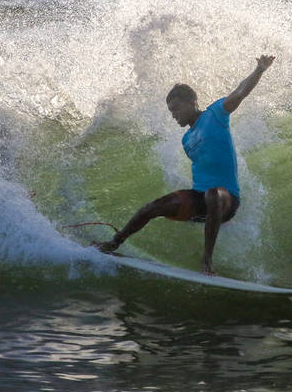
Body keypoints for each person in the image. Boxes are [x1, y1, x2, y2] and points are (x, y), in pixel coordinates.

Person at [95, 55, 275, 274]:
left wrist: (259, 70)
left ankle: (207, 261)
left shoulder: (215, 114)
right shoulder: (186, 139)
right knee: (152, 207)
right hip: (201, 200)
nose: (174, 115)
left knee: (213, 195)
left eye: (177, 108)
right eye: (171, 111)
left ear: (192, 102)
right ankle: (114, 242)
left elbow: (240, 92)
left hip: (226, 199)